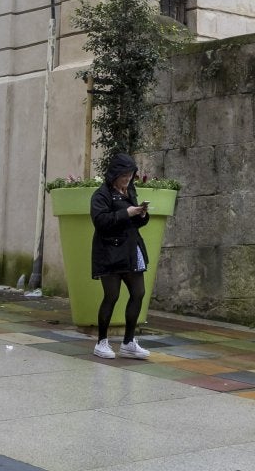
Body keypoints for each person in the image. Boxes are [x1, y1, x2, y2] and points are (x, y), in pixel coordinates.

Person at [89, 151, 151, 360]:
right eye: (124, 176)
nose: (127, 179)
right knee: (112, 296)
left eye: (130, 175)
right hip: (110, 252)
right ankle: (102, 342)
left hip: (131, 250)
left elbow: (133, 222)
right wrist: (127, 213)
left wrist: (141, 214)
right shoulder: (101, 194)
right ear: (114, 174)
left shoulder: (129, 191)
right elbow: (101, 221)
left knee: (138, 293)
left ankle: (129, 342)